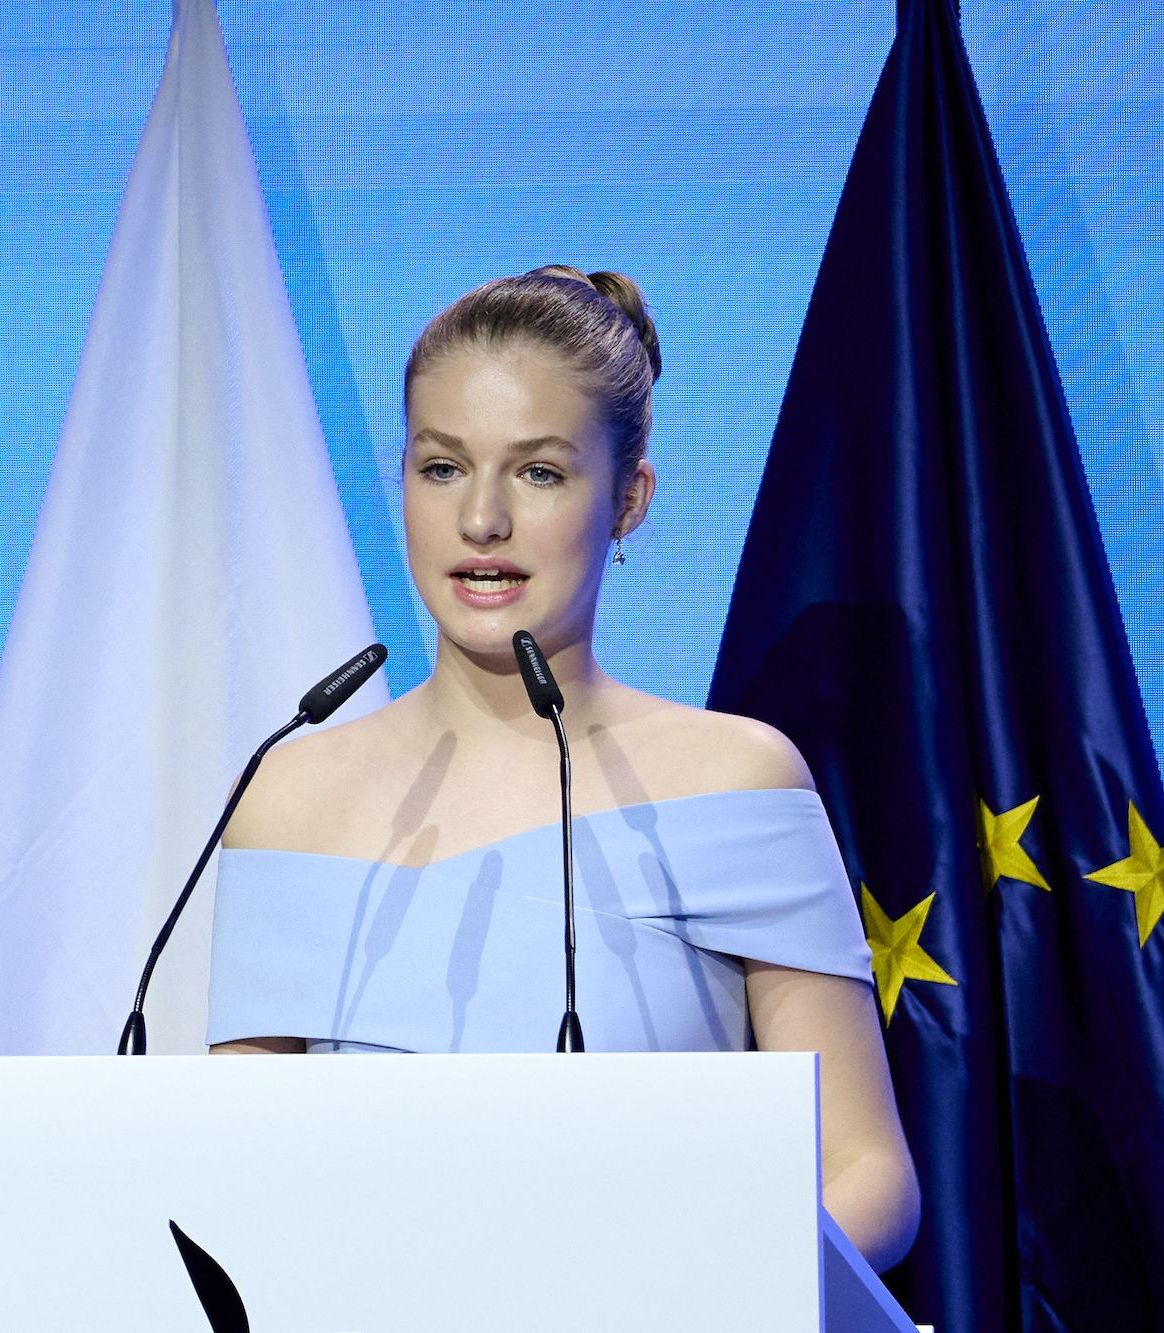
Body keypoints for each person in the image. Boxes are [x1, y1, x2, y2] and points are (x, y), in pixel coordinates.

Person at [203, 265, 920, 1271]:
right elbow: (232, 1174)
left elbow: (864, 1168)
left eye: (537, 472)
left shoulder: (735, 780)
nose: (481, 520)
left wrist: (701, 1298)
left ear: (626, 499)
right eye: (441, 467)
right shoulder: (290, 792)